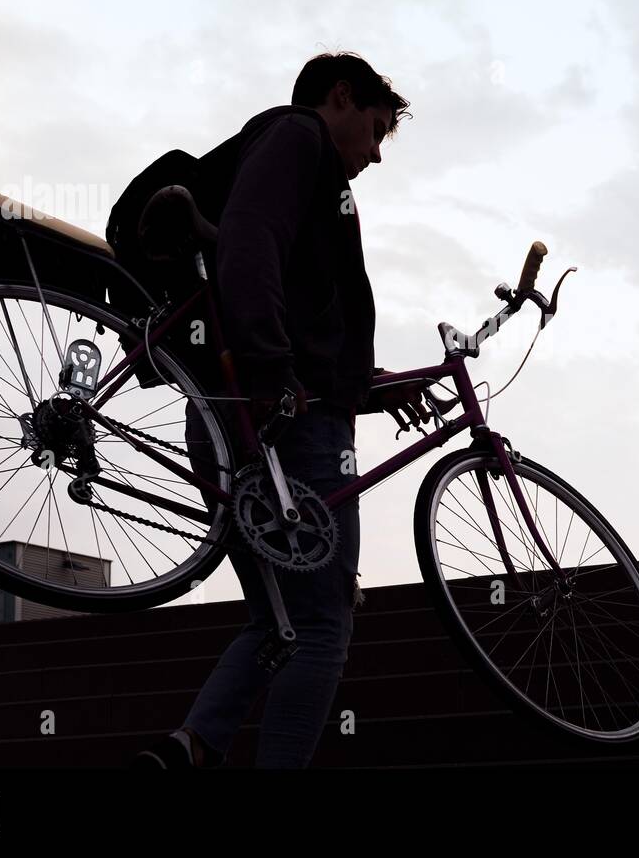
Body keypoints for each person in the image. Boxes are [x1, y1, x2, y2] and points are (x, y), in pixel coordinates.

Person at [133, 51, 429, 769]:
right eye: (378, 129)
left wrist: (374, 385)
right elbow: (249, 243)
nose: (378, 155)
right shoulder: (299, 137)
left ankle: (190, 748)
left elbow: (302, 316)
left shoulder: (302, 167)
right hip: (281, 420)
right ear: (340, 95)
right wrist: (272, 374)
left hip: (243, 411)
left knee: (279, 620)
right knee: (325, 627)